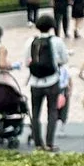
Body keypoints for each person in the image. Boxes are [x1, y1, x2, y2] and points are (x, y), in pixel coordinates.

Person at [25, 14, 68, 151]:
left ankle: (38, 143)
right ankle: (49, 143)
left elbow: (26, 62)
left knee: (35, 112)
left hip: (35, 82)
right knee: (52, 111)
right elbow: (65, 59)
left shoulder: (30, 41)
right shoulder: (56, 41)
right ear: (51, 26)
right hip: (52, 80)